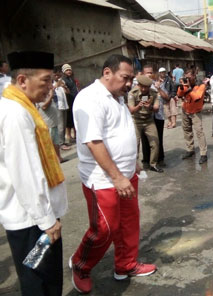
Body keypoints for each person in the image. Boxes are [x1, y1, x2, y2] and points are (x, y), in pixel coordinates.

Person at [70, 55, 157, 294]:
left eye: (131, 78)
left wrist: (133, 162)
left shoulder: (117, 97)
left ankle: (125, 265)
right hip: (102, 179)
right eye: (125, 77)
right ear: (107, 72)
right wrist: (117, 177)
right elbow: (94, 142)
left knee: (129, 223)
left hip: (126, 174)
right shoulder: (90, 99)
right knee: (104, 229)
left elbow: (120, 132)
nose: (129, 83)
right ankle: (80, 265)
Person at [0, 51, 67, 295]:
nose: (50, 87)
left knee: (42, 279)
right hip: (32, 220)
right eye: (46, 80)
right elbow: (25, 172)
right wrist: (47, 220)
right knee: (40, 282)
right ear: (22, 81)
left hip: (34, 215)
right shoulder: (17, 113)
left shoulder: (21, 105)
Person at [128, 71, 163, 173]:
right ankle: (134, 167)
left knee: (155, 142)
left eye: (146, 87)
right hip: (136, 121)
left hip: (149, 120)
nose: (143, 89)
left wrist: (150, 107)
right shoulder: (132, 93)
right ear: (138, 85)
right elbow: (131, 110)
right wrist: (139, 106)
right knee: (135, 145)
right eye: (141, 87)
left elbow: (156, 108)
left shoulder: (154, 93)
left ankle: (153, 164)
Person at [177, 69, 208, 164]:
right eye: (186, 77)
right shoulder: (186, 84)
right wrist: (182, 87)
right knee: (186, 130)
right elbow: (179, 95)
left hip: (195, 111)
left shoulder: (201, 85)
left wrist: (189, 89)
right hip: (185, 109)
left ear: (194, 75)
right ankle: (190, 150)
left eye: (189, 76)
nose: (188, 78)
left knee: (199, 132)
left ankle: (203, 154)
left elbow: (197, 97)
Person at [62, 64, 78, 143]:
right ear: (64, 72)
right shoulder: (64, 80)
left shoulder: (72, 79)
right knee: (69, 118)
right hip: (69, 100)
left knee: (74, 117)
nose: (69, 71)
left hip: (74, 99)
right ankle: (68, 136)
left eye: (69, 70)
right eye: (67, 70)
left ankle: (75, 135)